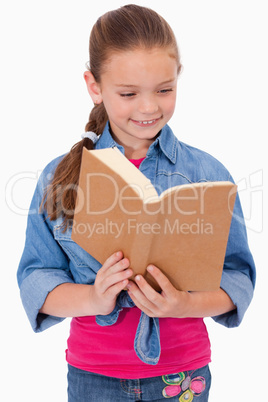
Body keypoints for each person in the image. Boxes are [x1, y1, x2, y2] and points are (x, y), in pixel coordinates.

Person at [17, 4, 256, 401]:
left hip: (182, 373)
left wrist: (183, 305)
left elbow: (237, 278)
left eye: (164, 90)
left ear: (178, 78)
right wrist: (94, 296)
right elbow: (37, 278)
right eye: (128, 94)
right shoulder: (60, 177)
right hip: (94, 373)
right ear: (94, 86)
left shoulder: (208, 173)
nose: (149, 108)